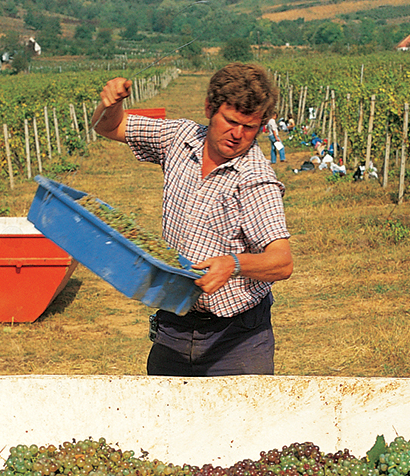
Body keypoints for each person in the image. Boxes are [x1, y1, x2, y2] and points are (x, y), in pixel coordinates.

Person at [92, 62, 293, 376]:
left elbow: (282, 261)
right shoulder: (180, 137)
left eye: (250, 127)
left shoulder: (256, 180)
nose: (238, 135)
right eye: (230, 121)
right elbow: (109, 127)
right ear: (209, 109)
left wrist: (234, 264)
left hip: (236, 337)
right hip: (175, 323)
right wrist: (111, 105)